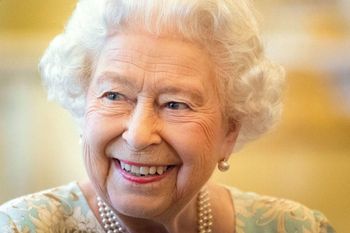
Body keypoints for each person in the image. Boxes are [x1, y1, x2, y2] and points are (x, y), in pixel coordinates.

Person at [0, 0, 335, 232]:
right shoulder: (20, 227)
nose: (138, 134)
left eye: (176, 104)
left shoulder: (294, 227)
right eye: (114, 95)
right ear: (83, 107)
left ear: (229, 131)